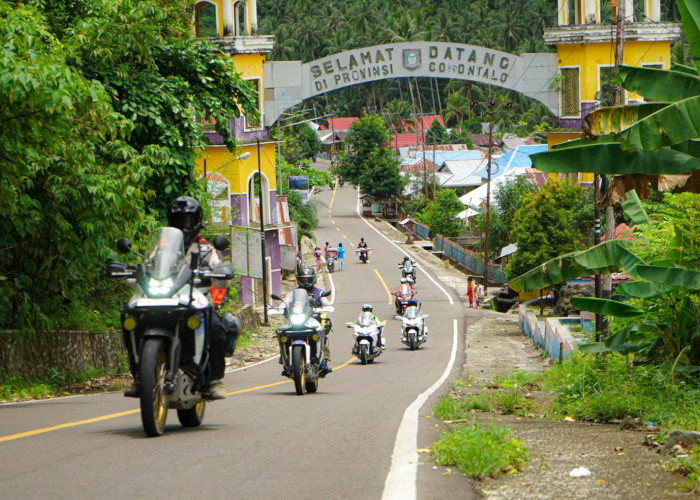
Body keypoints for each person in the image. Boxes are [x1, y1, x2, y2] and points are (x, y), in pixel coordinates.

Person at [124, 196, 236, 400]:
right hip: (164, 298)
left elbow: (221, 275)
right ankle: (140, 376)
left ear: (197, 223)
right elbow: (148, 267)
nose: (184, 226)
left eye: (188, 221)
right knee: (132, 320)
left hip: (195, 299)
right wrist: (132, 272)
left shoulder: (206, 250)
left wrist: (219, 274)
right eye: (178, 221)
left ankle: (214, 381)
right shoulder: (160, 248)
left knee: (217, 329)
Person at [282, 266, 333, 376]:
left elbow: (327, 303)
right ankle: (285, 359)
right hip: (296, 320)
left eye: (308, 279)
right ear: (298, 279)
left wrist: (326, 307)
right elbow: (285, 302)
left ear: (313, 279)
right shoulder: (293, 293)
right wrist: (280, 308)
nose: (305, 282)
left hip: (313, 320)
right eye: (303, 279)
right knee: (283, 333)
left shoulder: (319, 292)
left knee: (322, 335)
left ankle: (323, 361)